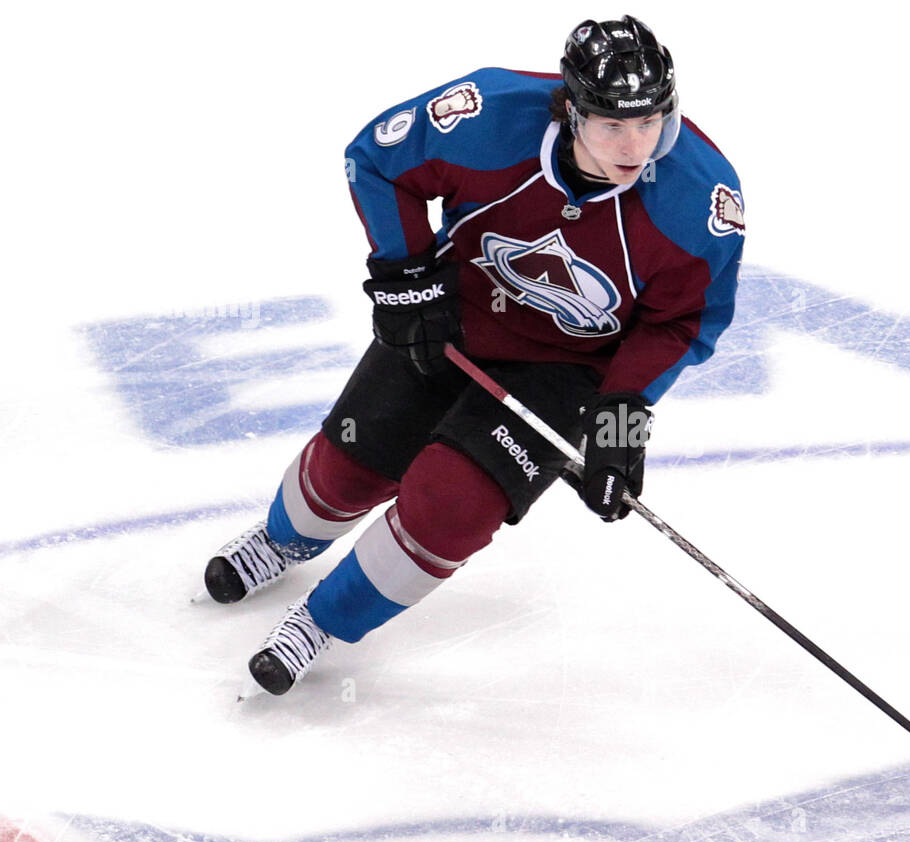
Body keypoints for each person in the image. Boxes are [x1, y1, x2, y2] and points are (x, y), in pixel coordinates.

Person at [204, 15, 745, 696]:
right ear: (573, 109)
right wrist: (408, 281)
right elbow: (375, 159)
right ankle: (285, 540)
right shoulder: (487, 115)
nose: (637, 144)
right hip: (455, 319)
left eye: (652, 122)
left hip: (568, 372)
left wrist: (618, 424)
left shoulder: (701, 200)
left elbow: (680, 324)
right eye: (613, 125)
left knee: (451, 505)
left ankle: (321, 621)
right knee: (342, 477)